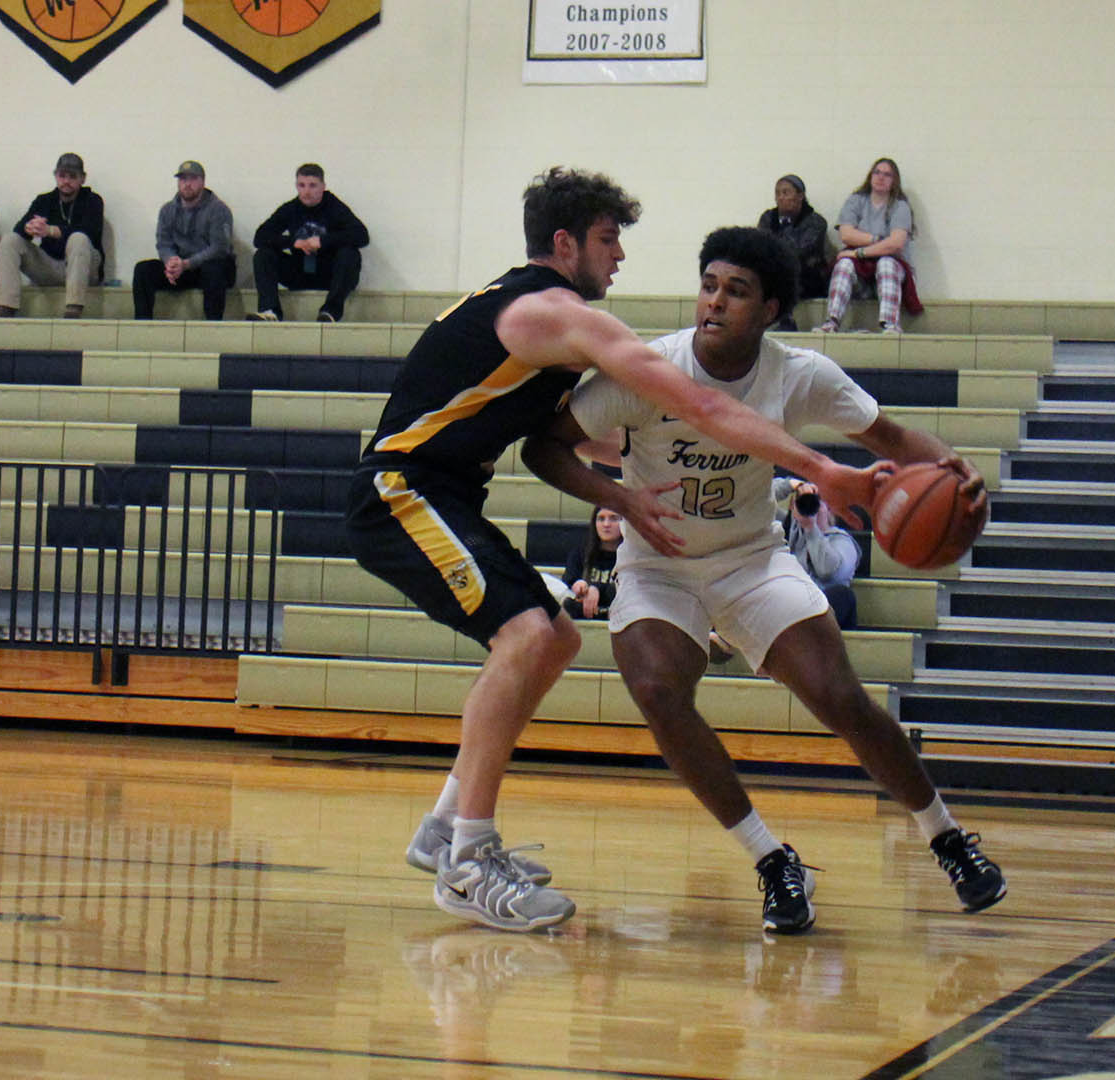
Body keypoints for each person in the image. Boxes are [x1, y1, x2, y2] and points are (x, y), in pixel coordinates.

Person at [355, 168, 885, 934]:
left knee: (554, 638)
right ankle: (468, 860)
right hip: (401, 491)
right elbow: (699, 404)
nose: (620, 258)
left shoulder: (521, 309)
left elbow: (618, 433)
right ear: (565, 244)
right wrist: (823, 468)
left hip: (439, 490)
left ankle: (445, 825)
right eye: (609, 240)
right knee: (530, 635)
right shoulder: (561, 314)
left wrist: (627, 488)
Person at [523, 225, 1005, 937]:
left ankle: (947, 837)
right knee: (658, 688)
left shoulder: (798, 374)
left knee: (840, 697)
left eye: (737, 291)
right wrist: (619, 499)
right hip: (658, 562)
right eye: (709, 284)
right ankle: (773, 860)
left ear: (771, 309)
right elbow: (543, 446)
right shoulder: (648, 369)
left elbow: (895, 441)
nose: (715, 302)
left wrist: (957, 468)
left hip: (750, 557)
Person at [249, 163, 370, 323]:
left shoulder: (334, 206)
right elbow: (260, 237)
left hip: (329, 274)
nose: (306, 191)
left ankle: (330, 312)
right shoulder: (291, 208)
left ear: (323, 187)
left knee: (350, 254)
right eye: (302, 185)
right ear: (296, 186)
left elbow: (362, 235)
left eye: (313, 185)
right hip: (299, 273)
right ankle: (270, 311)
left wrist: (323, 241)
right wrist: (293, 242)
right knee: (263, 255)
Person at [814, 158, 922, 334]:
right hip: (862, 278)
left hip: (893, 274)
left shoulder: (900, 206)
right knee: (844, 264)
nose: (881, 177)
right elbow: (846, 234)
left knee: (885, 263)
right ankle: (831, 322)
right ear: (870, 176)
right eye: (877, 172)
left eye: (887, 174)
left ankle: (890, 325)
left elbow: (895, 245)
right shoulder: (856, 200)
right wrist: (879, 239)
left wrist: (859, 252)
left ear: (894, 181)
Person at [0, 152, 104, 319]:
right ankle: (6, 306)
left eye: (72, 176)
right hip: (51, 266)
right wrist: (30, 228)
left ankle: (74, 307)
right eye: (62, 176)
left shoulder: (92, 200)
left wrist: (51, 231)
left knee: (79, 239)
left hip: (85, 267)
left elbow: (90, 232)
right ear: (55, 176)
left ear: (82, 178)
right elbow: (19, 230)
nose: (66, 181)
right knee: (10, 240)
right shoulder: (45, 200)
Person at [131, 161, 236, 321]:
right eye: (183, 179)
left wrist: (186, 264)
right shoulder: (167, 210)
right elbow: (163, 243)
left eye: (193, 179)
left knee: (214, 269)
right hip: (181, 268)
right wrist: (170, 261)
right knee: (143, 270)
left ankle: (213, 327)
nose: (187, 184)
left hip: (208, 267)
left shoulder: (218, 209)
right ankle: (142, 326)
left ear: (203, 181)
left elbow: (219, 248)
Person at [774, 476, 859, 629]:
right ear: (794, 508)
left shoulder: (842, 541)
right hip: (789, 607)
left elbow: (829, 572)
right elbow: (753, 503)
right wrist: (792, 485)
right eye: (805, 503)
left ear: (829, 508)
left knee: (843, 595)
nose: (811, 510)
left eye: (817, 503)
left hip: (822, 613)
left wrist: (810, 529)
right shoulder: (787, 531)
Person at [755, 174, 830, 330]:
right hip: (775, 271)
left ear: (800, 196)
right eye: (777, 193)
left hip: (808, 276)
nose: (781, 198)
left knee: (785, 268)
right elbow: (761, 247)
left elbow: (800, 251)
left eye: (786, 192)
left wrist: (783, 232)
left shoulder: (816, 222)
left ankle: (785, 318)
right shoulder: (768, 218)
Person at [561, 505, 622, 619]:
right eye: (601, 519)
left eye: (613, 518)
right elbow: (568, 579)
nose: (606, 524)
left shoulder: (631, 556)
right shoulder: (580, 552)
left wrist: (596, 588)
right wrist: (578, 585)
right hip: (584, 605)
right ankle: (603, 614)